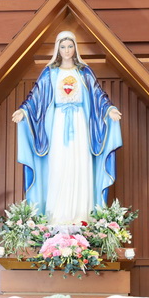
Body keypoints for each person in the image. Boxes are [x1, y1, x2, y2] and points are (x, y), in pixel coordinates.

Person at [12, 31, 122, 225]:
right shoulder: (50, 73)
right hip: (58, 123)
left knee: (80, 163)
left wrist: (109, 109)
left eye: (70, 46)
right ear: (57, 49)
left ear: (75, 48)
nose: (67, 50)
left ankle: (82, 215)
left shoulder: (84, 72)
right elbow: (35, 96)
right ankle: (57, 215)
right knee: (58, 164)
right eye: (63, 47)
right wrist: (24, 111)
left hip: (80, 123)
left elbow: (98, 95)